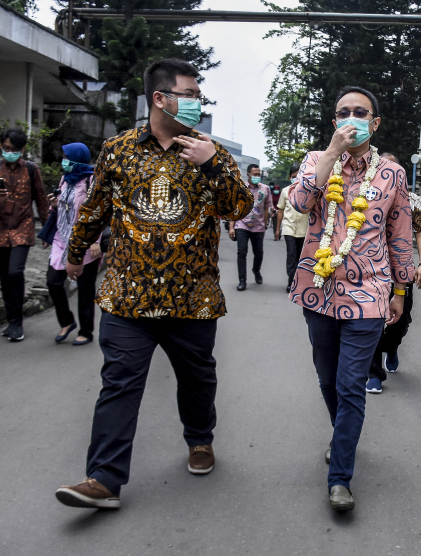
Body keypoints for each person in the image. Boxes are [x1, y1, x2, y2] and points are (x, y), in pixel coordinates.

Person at [54, 58, 252, 510]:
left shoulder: (210, 151)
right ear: (160, 98)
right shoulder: (118, 150)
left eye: (200, 94)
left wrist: (215, 165)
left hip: (192, 298)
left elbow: (239, 208)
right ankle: (103, 478)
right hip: (128, 296)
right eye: (190, 93)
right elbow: (95, 209)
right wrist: (75, 255)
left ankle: (200, 438)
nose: (198, 102)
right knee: (119, 383)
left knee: (198, 379)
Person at [289, 86, 413, 512]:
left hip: (371, 294)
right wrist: (328, 155)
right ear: (334, 120)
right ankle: (340, 436)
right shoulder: (314, 162)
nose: (352, 118)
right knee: (327, 380)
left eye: (361, 113)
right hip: (318, 290)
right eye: (343, 112)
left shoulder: (393, 174)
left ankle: (340, 477)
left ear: (374, 123)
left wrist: (400, 289)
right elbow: (300, 203)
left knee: (350, 386)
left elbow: (400, 234)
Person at [366, 152, 421, 394]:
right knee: (371, 318)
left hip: (401, 270)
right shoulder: (368, 193)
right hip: (370, 269)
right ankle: (374, 372)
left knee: (400, 320)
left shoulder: (411, 199)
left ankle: (392, 347)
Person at [0, 128, 49, 342]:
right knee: (4, 277)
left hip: (23, 226)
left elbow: (41, 199)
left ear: (22, 149)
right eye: (7, 148)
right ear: (1, 146)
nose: (10, 152)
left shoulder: (30, 169)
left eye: (15, 149)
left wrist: (47, 230)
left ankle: (17, 322)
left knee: (14, 272)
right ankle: (11, 321)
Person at [45, 143, 102, 346]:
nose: (64, 161)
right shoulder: (64, 179)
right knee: (53, 281)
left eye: (67, 157)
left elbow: (97, 212)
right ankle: (67, 321)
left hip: (85, 241)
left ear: (78, 159)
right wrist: (54, 204)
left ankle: (86, 331)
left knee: (85, 288)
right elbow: (62, 207)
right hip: (62, 238)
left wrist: (96, 242)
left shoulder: (92, 179)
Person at [229, 163, 272, 290]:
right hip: (241, 224)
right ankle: (242, 280)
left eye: (259, 174)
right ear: (248, 175)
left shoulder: (265, 189)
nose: (257, 176)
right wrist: (231, 227)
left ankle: (256, 270)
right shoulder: (240, 188)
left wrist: (265, 225)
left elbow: (266, 209)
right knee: (241, 252)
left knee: (258, 253)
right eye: (255, 174)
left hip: (258, 226)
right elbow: (234, 208)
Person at [276, 165, 309, 293]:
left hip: (304, 229)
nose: (296, 178)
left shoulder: (308, 192)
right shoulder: (285, 191)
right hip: (289, 228)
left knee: (300, 256)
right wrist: (277, 230)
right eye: (293, 176)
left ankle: (299, 282)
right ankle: (291, 282)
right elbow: (280, 210)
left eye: (298, 175)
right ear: (289, 177)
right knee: (291, 255)